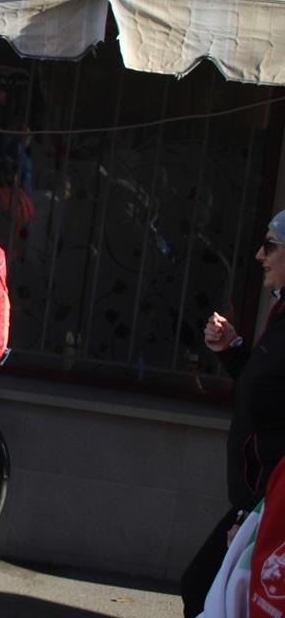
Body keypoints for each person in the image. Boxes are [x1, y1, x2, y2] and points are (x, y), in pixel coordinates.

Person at [180, 209, 285, 618]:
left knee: (204, 592)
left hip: (268, 501)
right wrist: (233, 349)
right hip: (257, 500)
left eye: (270, 246)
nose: (260, 255)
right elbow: (265, 388)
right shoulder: (280, 313)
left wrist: (260, 514)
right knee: (206, 593)